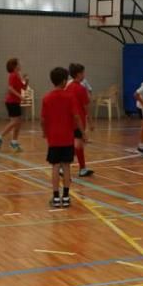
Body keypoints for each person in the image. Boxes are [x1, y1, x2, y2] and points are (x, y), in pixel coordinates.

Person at [41, 67, 81, 208]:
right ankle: (66, 197)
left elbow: (43, 120)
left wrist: (44, 132)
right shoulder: (69, 97)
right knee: (66, 166)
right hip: (67, 138)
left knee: (55, 167)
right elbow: (76, 116)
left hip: (54, 138)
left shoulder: (46, 98)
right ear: (64, 81)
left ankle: (56, 197)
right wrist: (81, 131)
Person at [65, 63, 94, 178]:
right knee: (78, 144)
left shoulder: (68, 87)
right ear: (78, 74)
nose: (84, 75)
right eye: (83, 73)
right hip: (79, 120)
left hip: (69, 119)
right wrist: (91, 122)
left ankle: (68, 167)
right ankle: (81, 168)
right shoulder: (81, 89)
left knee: (75, 143)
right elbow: (86, 107)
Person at [0, 58, 28, 151]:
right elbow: (10, 88)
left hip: (16, 102)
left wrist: (26, 80)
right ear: (15, 66)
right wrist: (20, 96)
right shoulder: (12, 75)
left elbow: (24, 88)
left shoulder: (18, 75)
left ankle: (14, 142)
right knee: (15, 122)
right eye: (18, 63)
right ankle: (0, 136)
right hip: (11, 102)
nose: (20, 64)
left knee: (18, 122)